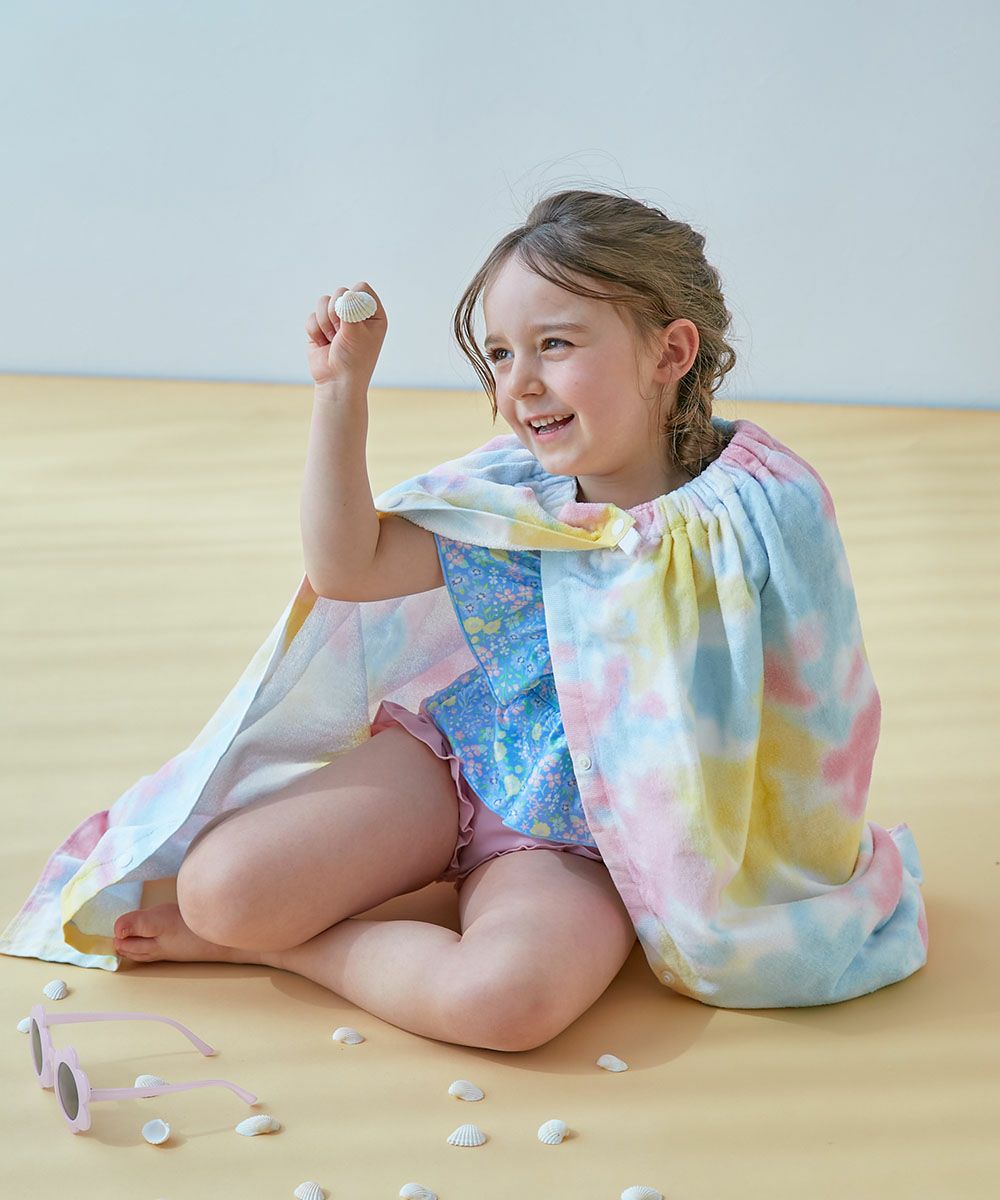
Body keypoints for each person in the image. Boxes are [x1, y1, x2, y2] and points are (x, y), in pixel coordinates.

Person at [1, 189, 927, 1050]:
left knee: (505, 1003)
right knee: (220, 891)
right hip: (467, 765)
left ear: (670, 352)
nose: (520, 382)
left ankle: (294, 952)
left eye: (554, 344)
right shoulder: (523, 510)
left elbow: (814, 708)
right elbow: (348, 566)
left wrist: (781, 862)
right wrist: (340, 392)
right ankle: (254, 927)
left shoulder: (758, 509)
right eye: (500, 354)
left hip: (590, 842)